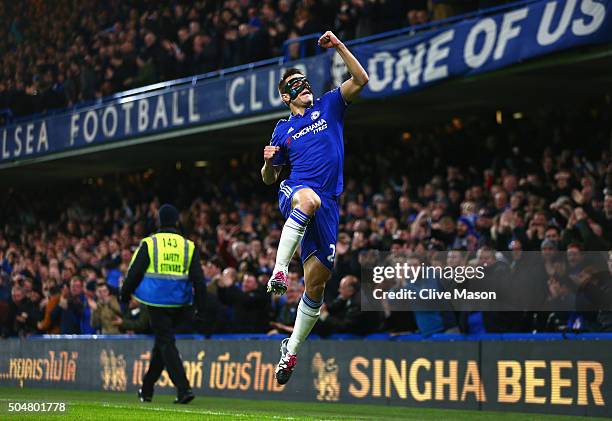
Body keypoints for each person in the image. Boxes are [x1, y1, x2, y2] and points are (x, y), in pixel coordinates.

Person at [261, 30, 368, 385]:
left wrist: (338, 46)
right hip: (296, 191)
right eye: (295, 84)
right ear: (285, 96)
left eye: (304, 81)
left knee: (317, 287)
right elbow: (269, 178)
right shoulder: (282, 129)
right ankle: (278, 271)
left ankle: (289, 351)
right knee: (308, 198)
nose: (303, 86)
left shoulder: (329, 105)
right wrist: (266, 163)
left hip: (328, 206)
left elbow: (361, 79)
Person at [120, 204, 206, 404]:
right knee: (162, 343)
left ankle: (183, 389)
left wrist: (124, 296)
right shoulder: (188, 245)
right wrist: (201, 308)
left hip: (156, 300)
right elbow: (199, 280)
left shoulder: (150, 243)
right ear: (177, 221)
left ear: (160, 221)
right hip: (180, 303)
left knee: (165, 343)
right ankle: (147, 389)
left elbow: (134, 273)